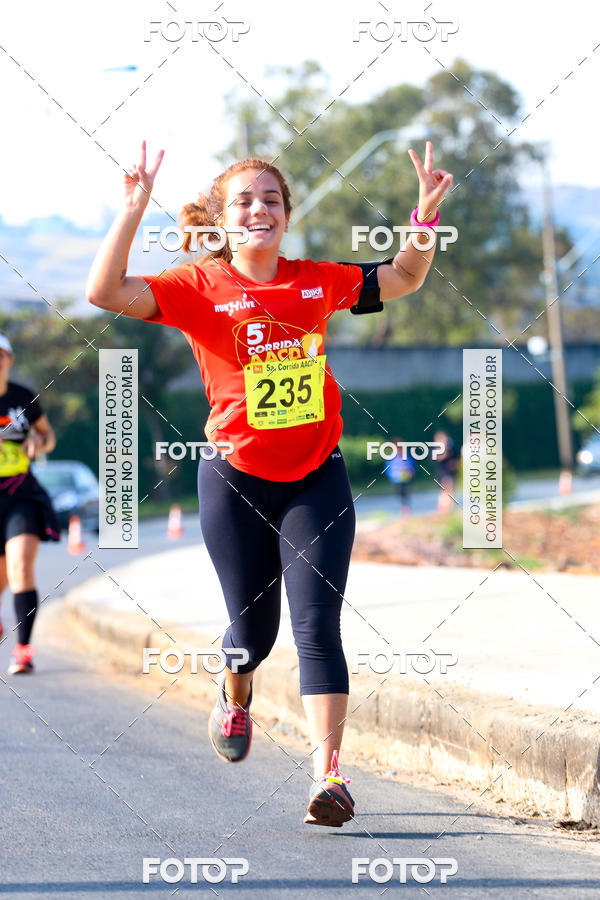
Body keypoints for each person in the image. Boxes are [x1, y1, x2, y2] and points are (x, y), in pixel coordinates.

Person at [86, 139, 453, 827]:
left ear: (287, 214)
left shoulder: (317, 279)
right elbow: (103, 292)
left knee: (317, 625)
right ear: (224, 220)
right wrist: (132, 210)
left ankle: (329, 777)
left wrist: (424, 221)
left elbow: (403, 277)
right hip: (236, 481)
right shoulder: (198, 287)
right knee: (253, 633)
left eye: (272, 199)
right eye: (245, 200)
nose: (261, 209)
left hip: (318, 474)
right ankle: (235, 688)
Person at [0, 334, 60, 673]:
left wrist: (38, 441)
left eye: (1, 354)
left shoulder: (23, 398)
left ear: (9, 358)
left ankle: (23, 648)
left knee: (20, 566)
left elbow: (47, 435)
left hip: (21, 492)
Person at [385, 438, 417, 512]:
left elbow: (411, 465)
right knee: (399, 493)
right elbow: (388, 468)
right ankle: (404, 505)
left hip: (406, 478)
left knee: (405, 492)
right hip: (396, 479)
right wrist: (391, 475)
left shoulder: (406, 456)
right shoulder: (391, 457)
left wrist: (411, 471)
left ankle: (405, 507)